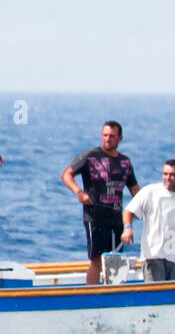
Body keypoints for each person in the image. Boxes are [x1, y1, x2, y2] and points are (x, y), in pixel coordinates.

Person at [60, 120, 139, 284]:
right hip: (94, 217)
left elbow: (134, 190)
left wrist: (147, 207)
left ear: (120, 138)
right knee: (96, 260)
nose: (108, 139)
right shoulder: (90, 156)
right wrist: (79, 193)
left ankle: (114, 294)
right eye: (105, 135)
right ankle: (92, 295)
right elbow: (66, 174)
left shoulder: (125, 162)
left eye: (112, 136)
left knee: (115, 259)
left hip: (116, 218)